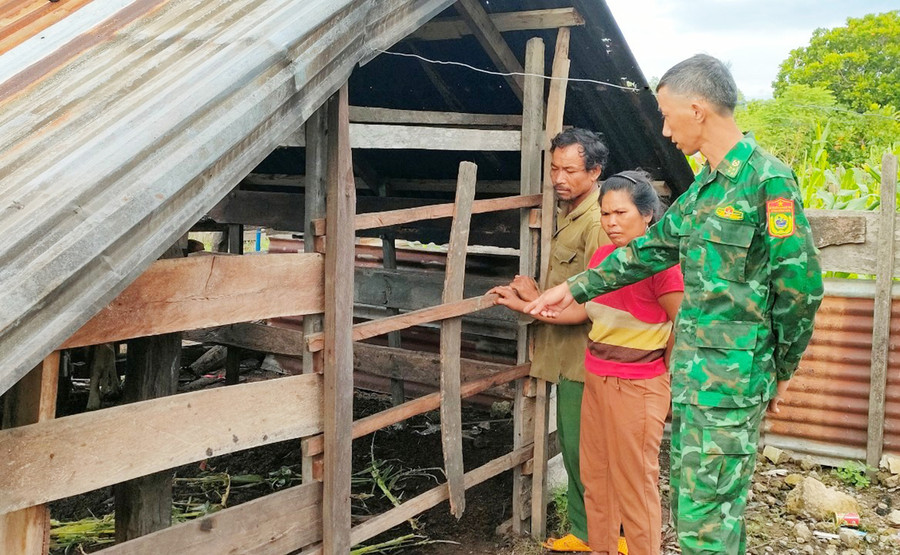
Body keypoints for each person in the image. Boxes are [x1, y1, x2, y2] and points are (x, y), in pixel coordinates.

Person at [523, 54, 824, 555]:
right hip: (692, 378)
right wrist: (574, 288)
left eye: (666, 114)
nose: (663, 129)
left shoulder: (766, 182)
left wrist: (782, 366)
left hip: (731, 380)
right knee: (697, 511)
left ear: (697, 108)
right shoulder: (705, 188)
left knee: (708, 522)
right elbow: (650, 249)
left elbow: (801, 288)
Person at [493, 171, 682, 555]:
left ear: (647, 215)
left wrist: (663, 369)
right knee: (596, 478)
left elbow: (686, 325)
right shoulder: (603, 258)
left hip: (639, 386)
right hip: (596, 377)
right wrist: (528, 306)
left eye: (621, 213)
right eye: (605, 213)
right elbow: (580, 312)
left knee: (636, 484)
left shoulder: (663, 266)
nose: (611, 222)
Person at [498, 128, 611, 552]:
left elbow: (594, 303)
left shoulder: (598, 223)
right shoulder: (571, 212)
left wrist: (529, 306)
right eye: (554, 168)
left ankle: (591, 536)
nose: (558, 178)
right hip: (568, 356)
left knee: (585, 453)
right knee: (576, 446)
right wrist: (537, 295)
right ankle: (593, 533)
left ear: (595, 171)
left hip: (586, 358)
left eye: (570, 170)